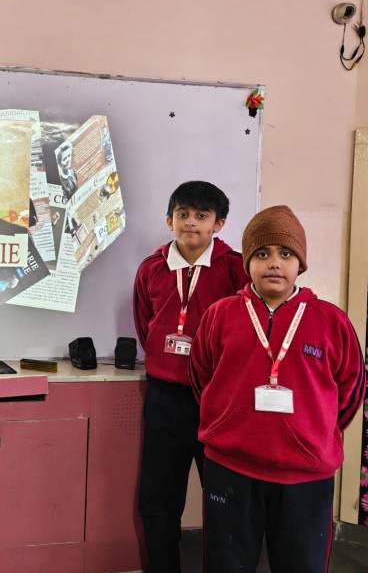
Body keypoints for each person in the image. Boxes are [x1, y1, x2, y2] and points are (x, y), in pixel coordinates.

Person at [189, 206, 366, 573]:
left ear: (300, 263)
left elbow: (351, 391)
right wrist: (226, 421)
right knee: (226, 565)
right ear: (247, 262)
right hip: (231, 469)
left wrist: (313, 433)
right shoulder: (220, 315)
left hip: (306, 476)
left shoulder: (331, 321)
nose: (274, 263)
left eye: (286, 254)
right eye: (262, 253)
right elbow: (202, 377)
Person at [132, 180, 249, 573]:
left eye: (202, 216)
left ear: (219, 224)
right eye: (182, 214)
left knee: (224, 499)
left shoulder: (234, 268)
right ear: (169, 220)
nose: (191, 223)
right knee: (158, 499)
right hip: (164, 398)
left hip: (216, 400)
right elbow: (145, 324)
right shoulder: (151, 268)